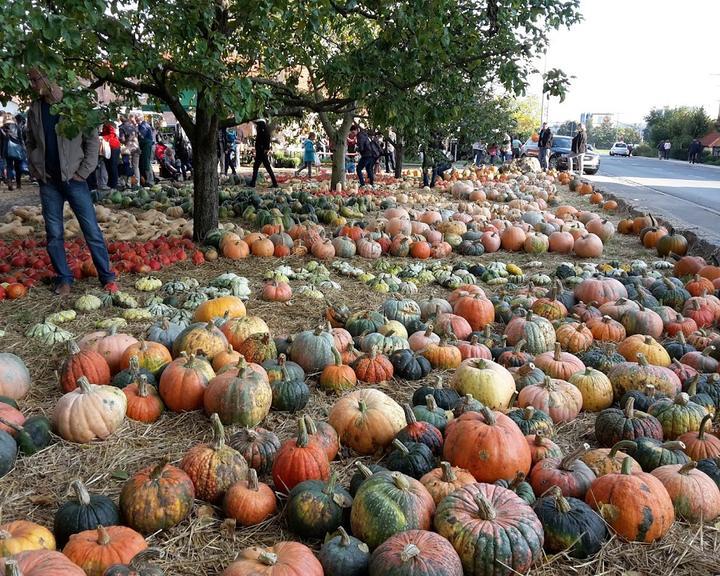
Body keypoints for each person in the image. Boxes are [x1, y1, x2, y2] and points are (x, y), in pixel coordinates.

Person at [25, 68, 117, 296]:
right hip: (49, 182)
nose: (32, 84)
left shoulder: (75, 107)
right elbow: (29, 140)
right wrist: (36, 167)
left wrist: (83, 172)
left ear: (49, 77)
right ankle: (64, 279)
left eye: (35, 79)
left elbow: (92, 142)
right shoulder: (35, 109)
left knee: (91, 230)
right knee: (54, 232)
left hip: (75, 180)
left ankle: (107, 278)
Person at [248, 119, 278, 188]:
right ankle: (253, 182)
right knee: (259, 167)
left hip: (262, 153)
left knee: (261, 167)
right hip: (260, 152)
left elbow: (267, 142)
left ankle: (253, 183)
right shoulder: (262, 131)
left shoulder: (264, 132)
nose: (256, 127)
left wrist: (265, 149)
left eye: (257, 125)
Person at [1, 112, 26, 190]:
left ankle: (10, 182)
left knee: (9, 166)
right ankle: (18, 184)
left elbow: (1, 140)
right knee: (17, 167)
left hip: (7, 149)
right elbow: (21, 138)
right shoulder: (17, 127)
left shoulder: (2, 128)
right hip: (17, 148)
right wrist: (23, 148)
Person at [119, 115, 140, 188]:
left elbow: (122, 139)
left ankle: (129, 184)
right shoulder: (133, 126)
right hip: (137, 147)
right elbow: (138, 135)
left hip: (129, 149)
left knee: (128, 167)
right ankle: (137, 184)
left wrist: (120, 141)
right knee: (136, 167)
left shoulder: (122, 128)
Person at [101, 122, 121, 190]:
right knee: (108, 166)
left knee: (112, 166)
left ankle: (114, 185)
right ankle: (110, 184)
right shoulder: (105, 124)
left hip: (113, 146)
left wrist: (102, 137)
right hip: (109, 147)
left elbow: (112, 134)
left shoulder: (109, 124)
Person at [136, 113, 155, 186]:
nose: (136, 120)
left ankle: (150, 181)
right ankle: (146, 180)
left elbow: (141, 136)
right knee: (144, 163)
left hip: (147, 145)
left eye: (137, 118)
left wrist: (135, 133)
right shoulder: (142, 125)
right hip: (144, 146)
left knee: (146, 163)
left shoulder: (144, 126)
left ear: (140, 118)